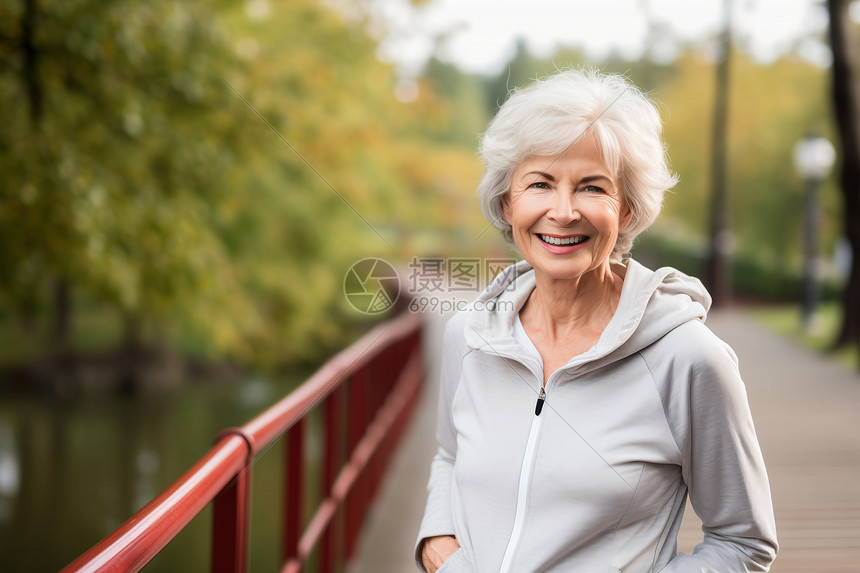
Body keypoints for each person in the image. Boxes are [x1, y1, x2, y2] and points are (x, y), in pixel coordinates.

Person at [415, 69, 778, 572]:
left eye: (591, 188)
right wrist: (438, 544)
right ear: (507, 202)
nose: (563, 212)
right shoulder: (469, 336)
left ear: (626, 209)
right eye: (540, 184)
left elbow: (742, 543)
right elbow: (450, 456)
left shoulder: (690, 359)